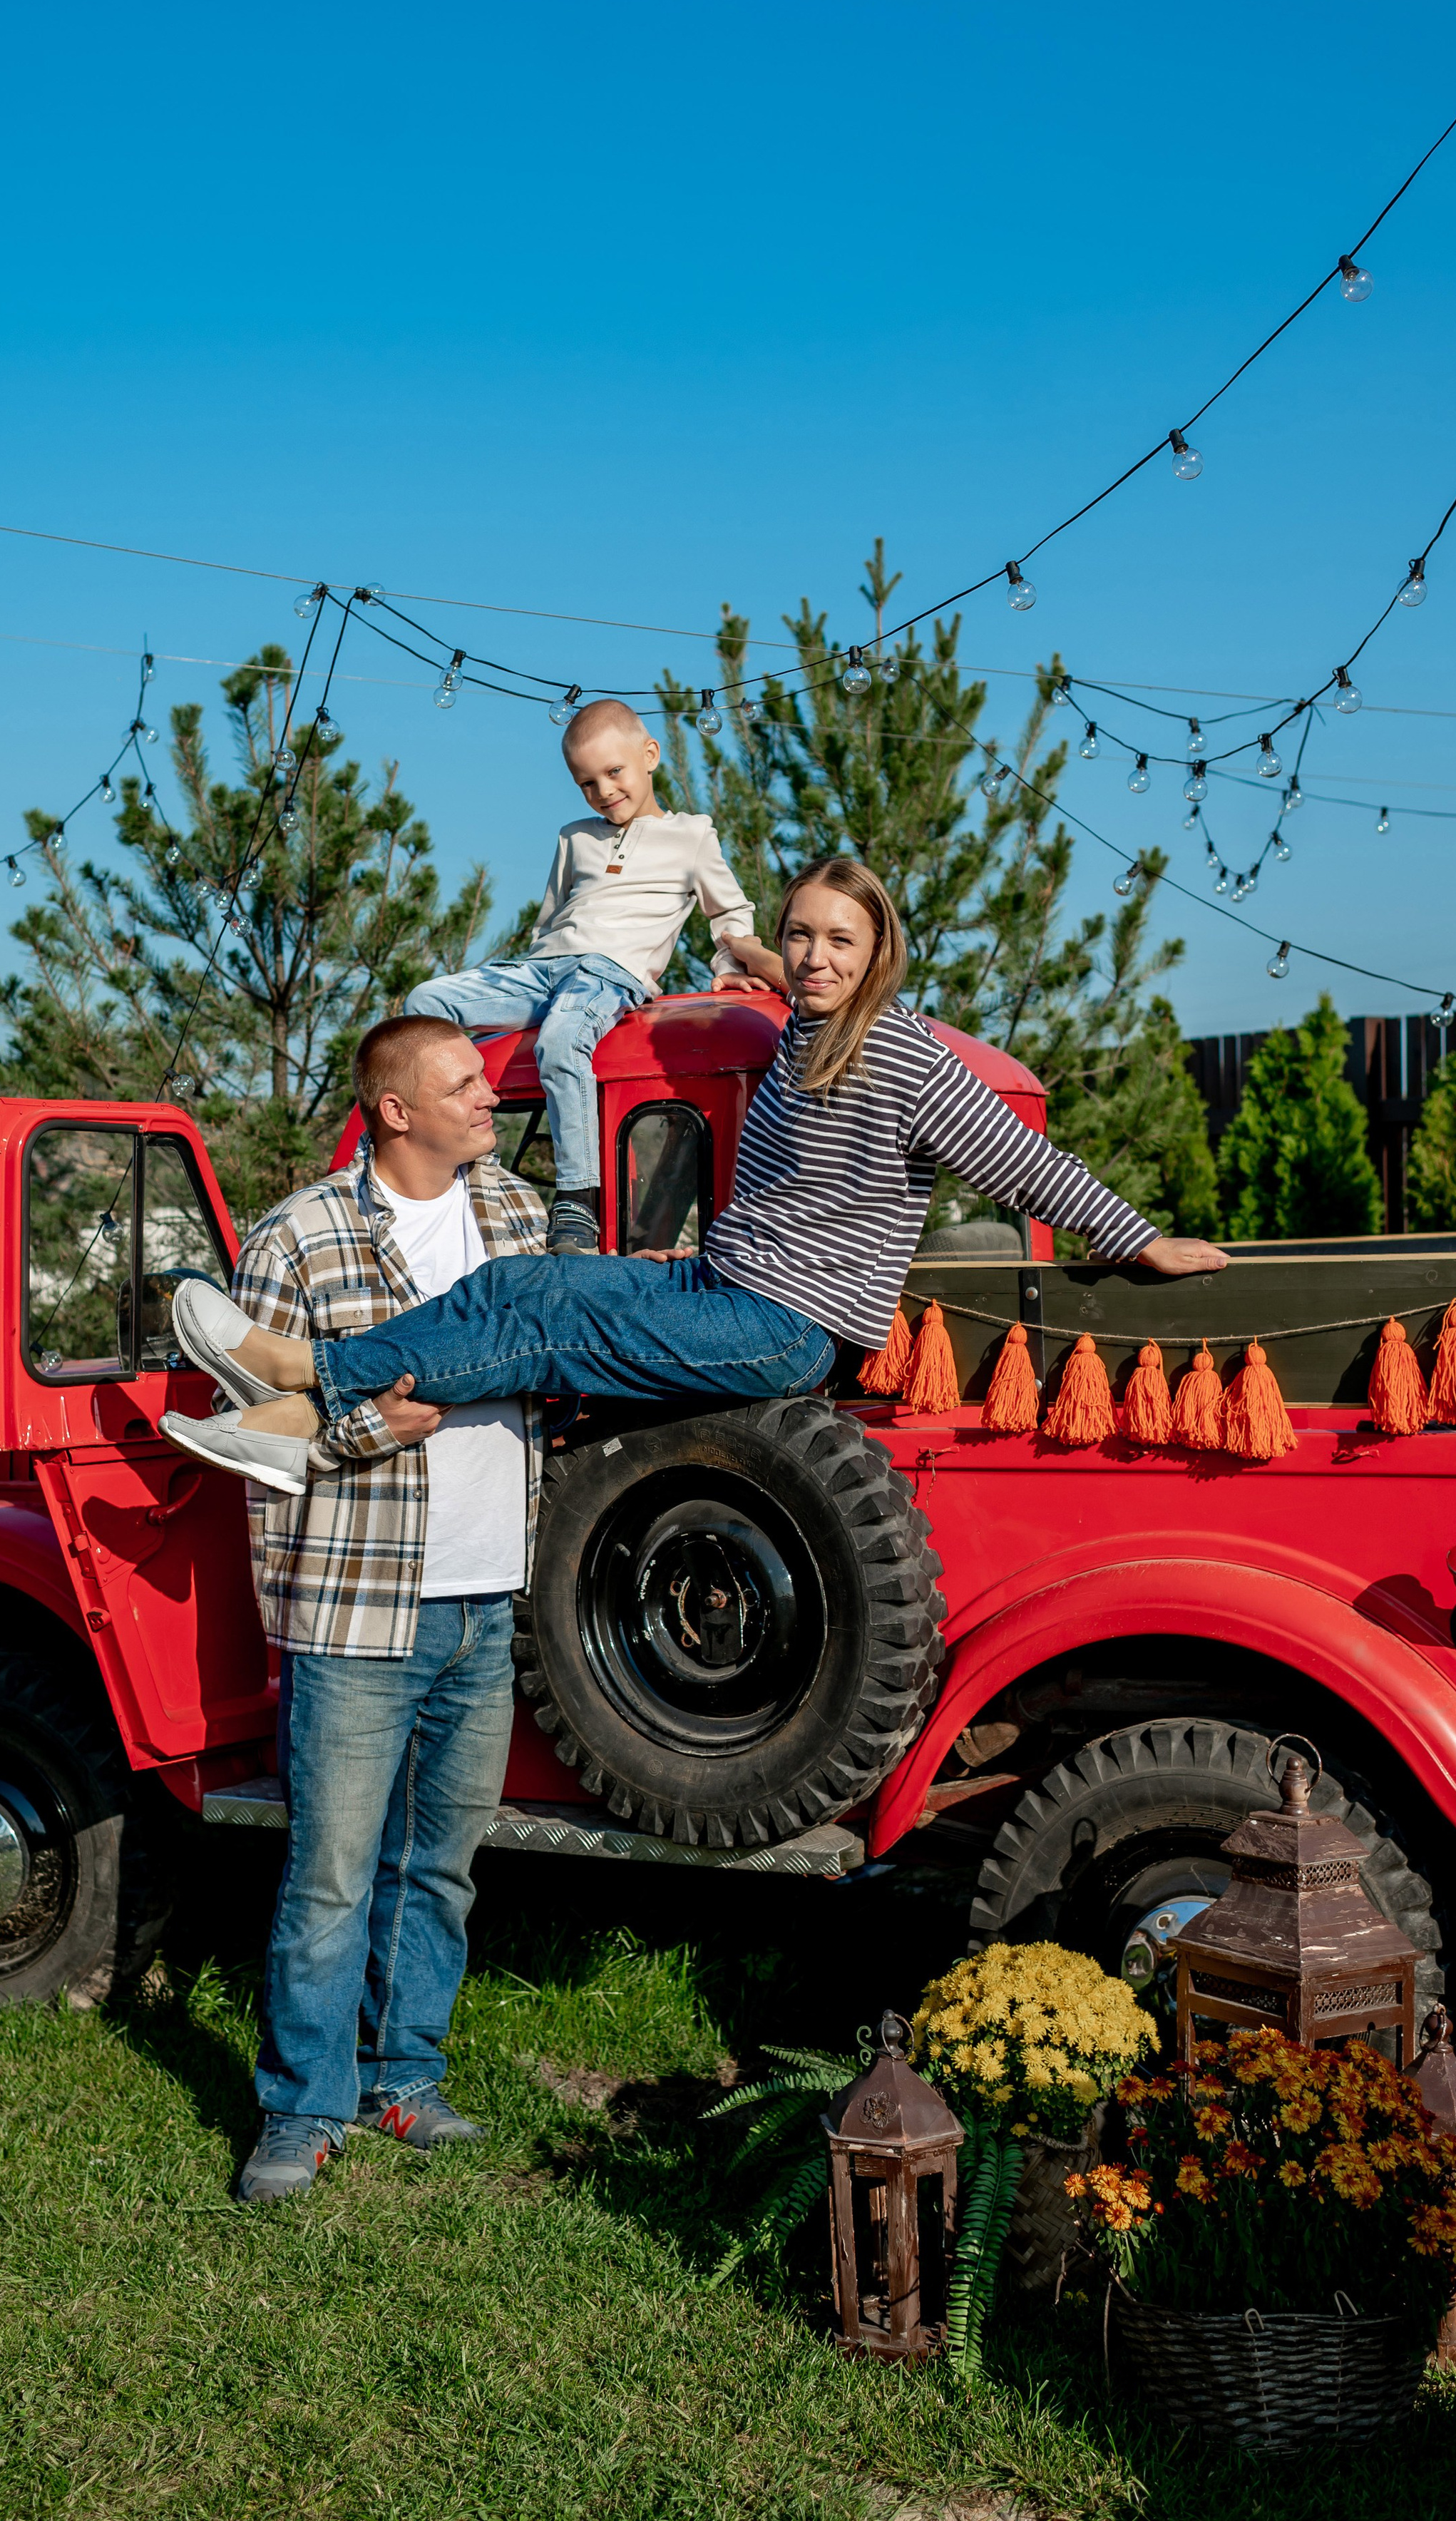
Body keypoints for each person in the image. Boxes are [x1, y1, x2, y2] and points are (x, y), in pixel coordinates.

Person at [160, 856, 1227, 1493]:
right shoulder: (804, 1034)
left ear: (878, 951)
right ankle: (297, 1417)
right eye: (799, 935)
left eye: (839, 942)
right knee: (508, 1286)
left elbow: (1017, 1158)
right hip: (725, 1287)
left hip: (783, 1322)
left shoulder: (897, 1053)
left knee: (539, 1319)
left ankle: (305, 1379)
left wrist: (1136, 1238)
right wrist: (750, 964)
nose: (814, 957)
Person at [174, 1014, 548, 2204]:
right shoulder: (300, 1236)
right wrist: (360, 1425)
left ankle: (406, 2072)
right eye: (464, 1084)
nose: (489, 1100)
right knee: (331, 1872)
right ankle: (301, 2106)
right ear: (396, 1108)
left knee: (439, 1863)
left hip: (483, 1598)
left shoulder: (519, 1220)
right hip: (353, 1604)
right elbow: (250, 1433)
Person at [400, 696, 784, 1257]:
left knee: (562, 1041)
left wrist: (729, 967)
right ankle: (459, 1138)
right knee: (426, 1000)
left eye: (614, 772)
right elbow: (550, 919)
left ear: (650, 755)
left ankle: (578, 1199)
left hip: (609, 974)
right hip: (541, 971)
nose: (603, 791)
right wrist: (528, 978)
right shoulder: (574, 837)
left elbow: (729, 915)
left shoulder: (691, 835)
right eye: (586, 783)